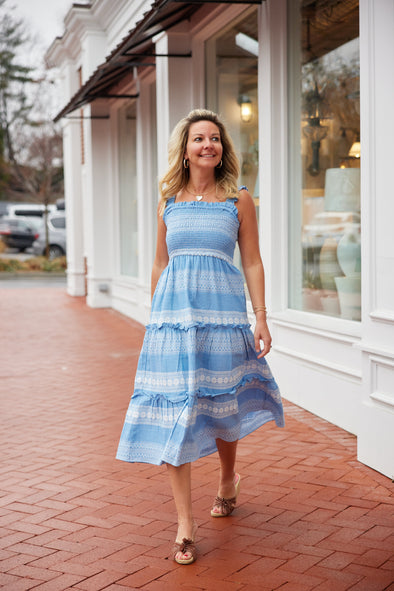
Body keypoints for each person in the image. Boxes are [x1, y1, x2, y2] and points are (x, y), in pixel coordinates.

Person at [116, 109, 284, 565]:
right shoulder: (167, 198)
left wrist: (262, 317)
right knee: (178, 410)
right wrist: (156, 320)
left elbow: (252, 261)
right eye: (198, 139)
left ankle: (228, 479)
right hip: (173, 323)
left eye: (214, 138)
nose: (207, 145)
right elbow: (159, 262)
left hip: (222, 317)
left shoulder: (238, 199)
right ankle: (185, 526)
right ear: (185, 149)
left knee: (221, 402)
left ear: (222, 149)